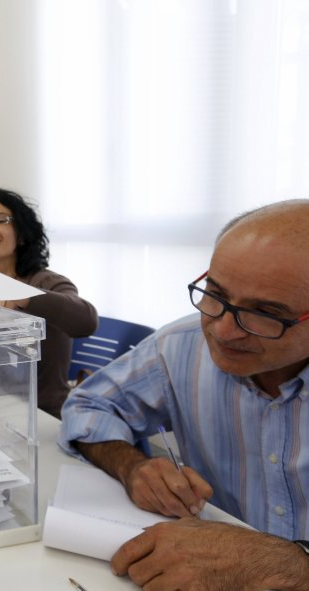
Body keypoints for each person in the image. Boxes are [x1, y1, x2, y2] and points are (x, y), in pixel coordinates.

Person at [58, 200, 309, 590]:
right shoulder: (181, 346)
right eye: (216, 293)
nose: (223, 332)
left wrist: (290, 563)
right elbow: (90, 403)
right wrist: (132, 467)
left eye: (265, 313)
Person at [0, 187, 98, 418]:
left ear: (21, 234)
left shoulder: (46, 281)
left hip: (42, 417)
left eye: (0, 220)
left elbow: (86, 321)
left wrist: (12, 291)